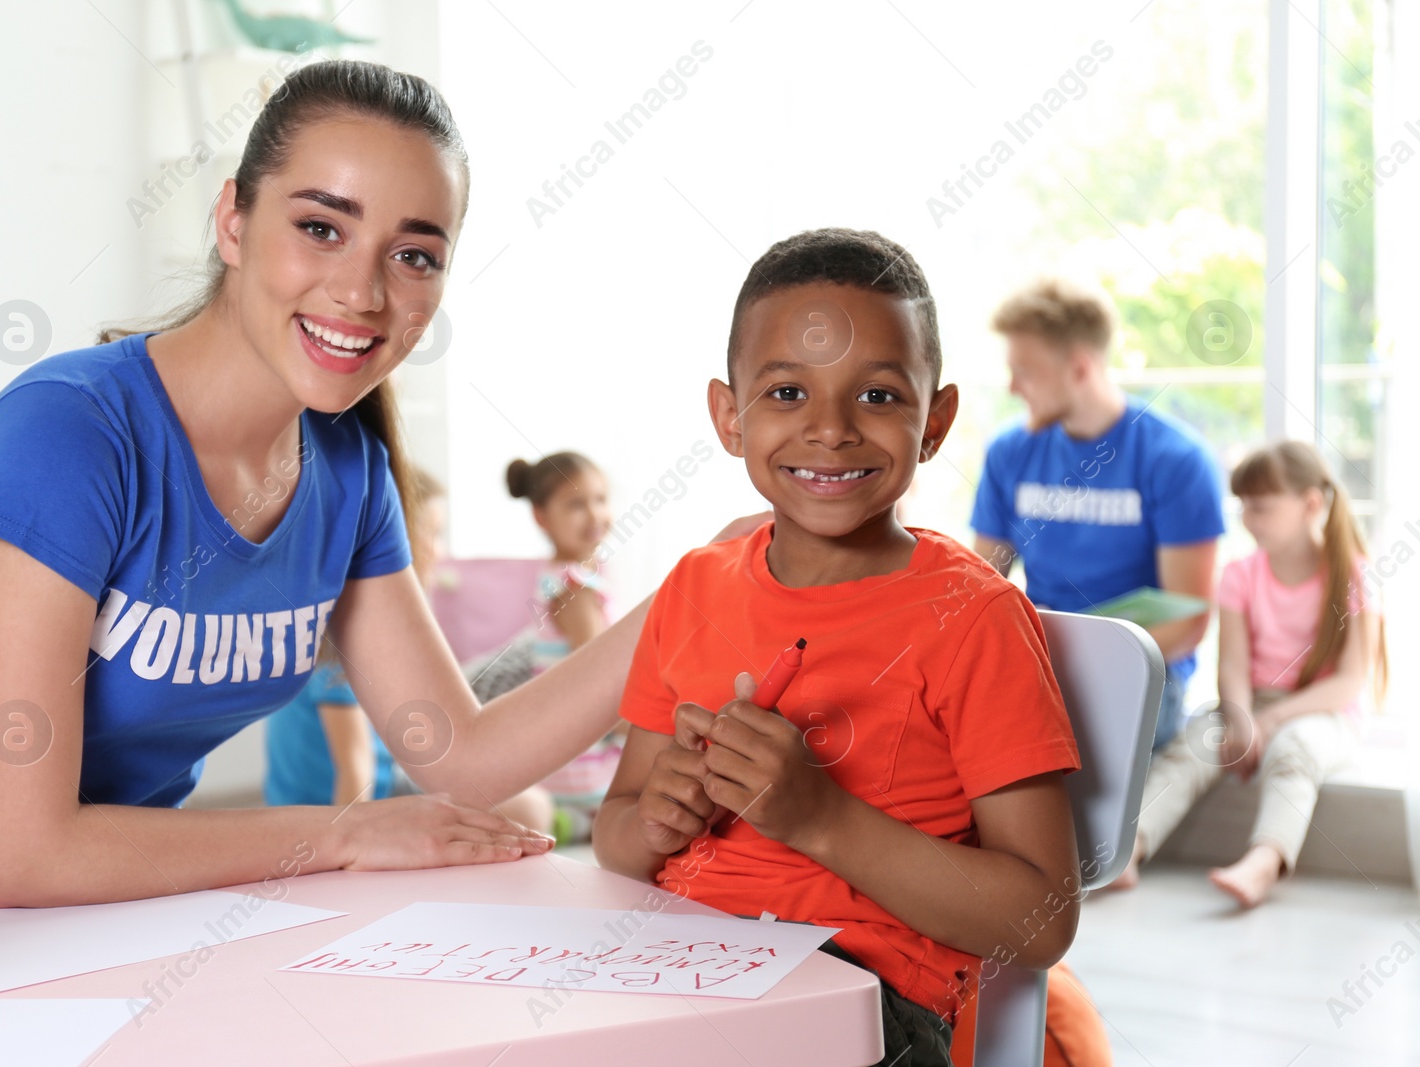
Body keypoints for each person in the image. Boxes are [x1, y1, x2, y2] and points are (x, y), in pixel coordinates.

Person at [0, 59, 757, 913]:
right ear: (233, 221)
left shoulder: (347, 469)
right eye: (320, 228)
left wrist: (703, 584)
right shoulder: (68, 435)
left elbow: (460, 754)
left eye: (414, 254)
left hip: (141, 891)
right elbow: (24, 857)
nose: (363, 291)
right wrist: (344, 834)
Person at [593, 229, 1084, 1067]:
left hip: (862, 1004)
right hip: (677, 971)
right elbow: (615, 830)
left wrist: (819, 817)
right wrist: (654, 819)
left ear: (936, 420)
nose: (830, 429)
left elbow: (1041, 920)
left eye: (880, 397)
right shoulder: (694, 586)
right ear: (728, 415)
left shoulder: (976, 616)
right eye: (786, 391)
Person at [1113, 442, 1385, 906]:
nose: (1246, 519)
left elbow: (1348, 681)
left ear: (1310, 505)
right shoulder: (1240, 574)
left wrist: (1272, 722)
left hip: (1324, 711)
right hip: (1251, 702)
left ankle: (1264, 861)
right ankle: (1129, 852)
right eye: (1242, 507)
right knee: (1191, 749)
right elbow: (1233, 665)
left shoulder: (1353, 577)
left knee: (1294, 750)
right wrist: (1241, 718)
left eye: (1260, 508)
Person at [971, 278, 1226, 752]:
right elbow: (984, 586)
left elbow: (1188, 623)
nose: (1012, 387)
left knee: (1045, 748)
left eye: (1024, 371)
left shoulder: (1176, 461)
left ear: (1079, 368)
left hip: (1142, 674)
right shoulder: (1008, 453)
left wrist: (1074, 671)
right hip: (1040, 663)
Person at [262, 469, 554, 834]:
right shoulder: (349, 630)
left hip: (365, 785)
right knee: (531, 808)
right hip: (354, 799)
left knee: (526, 800)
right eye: (430, 533)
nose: (439, 550)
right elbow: (355, 770)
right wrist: (347, 850)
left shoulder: (332, 612)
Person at [462, 452, 622, 842]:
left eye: (600, 499)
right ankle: (583, 817)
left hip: (559, 757)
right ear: (541, 517)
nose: (594, 514)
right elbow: (603, 678)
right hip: (582, 761)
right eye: (576, 504)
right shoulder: (574, 589)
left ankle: (574, 821)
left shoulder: (558, 578)